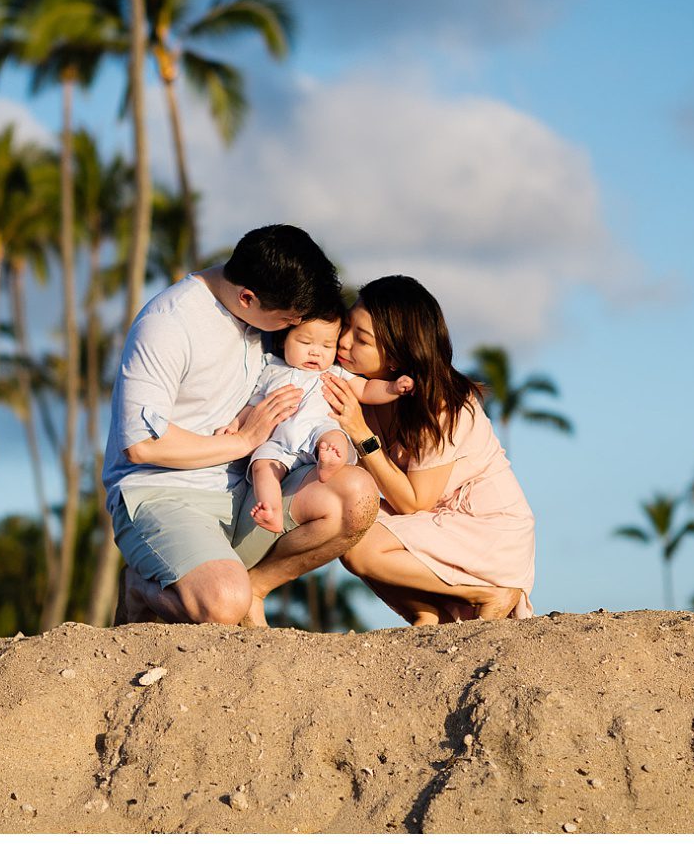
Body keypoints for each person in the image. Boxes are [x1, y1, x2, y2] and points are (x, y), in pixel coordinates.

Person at [103, 224, 381, 627]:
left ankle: (252, 588)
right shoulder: (168, 323)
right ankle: (140, 590)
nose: (295, 327)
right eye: (288, 318)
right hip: (164, 495)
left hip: (246, 491)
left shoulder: (263, 307)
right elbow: (143, 444)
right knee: (221, 603)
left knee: (355, 498)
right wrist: (246, 440)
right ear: (247, 298)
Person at [323, 275, 535, 624]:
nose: (343, 342)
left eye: (360, 339)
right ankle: (427, 617)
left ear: (395, 357)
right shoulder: (365, 390)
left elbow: (413, 502)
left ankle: (488, 591)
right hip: (431, 523)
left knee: (360, 546)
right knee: (343, 524)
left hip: (488, 530)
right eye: (347, 327)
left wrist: (359, 431)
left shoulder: (440, 401)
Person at [224, 298, 415, 535]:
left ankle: (329, 464)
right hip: (279, 443)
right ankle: (270, 509)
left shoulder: (335, 372)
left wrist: (393, 388)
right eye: (305, 342)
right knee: (262, 466)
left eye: (327, 346)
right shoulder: (272, 369)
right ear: (284, 341)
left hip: (319, 431)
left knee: (334, 438)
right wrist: (236, 425)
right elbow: (253, 405)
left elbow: (366, 390)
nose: (315, 351)